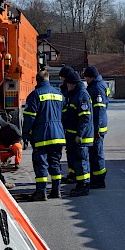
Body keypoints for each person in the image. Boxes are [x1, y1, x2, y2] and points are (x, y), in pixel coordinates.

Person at [22, 69, 66, 200]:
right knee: (55, 164)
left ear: (37, 80)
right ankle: (56, 190)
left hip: (42, 136)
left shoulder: (34, 95)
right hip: (58, 135)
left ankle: (41, 192)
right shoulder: (59, 94)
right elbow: (64, 114)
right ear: (48, 79)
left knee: (41, 164)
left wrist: (25, 134)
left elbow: (29, 118)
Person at [63, 71, 94, 197]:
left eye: (68, 85)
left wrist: (79, 135)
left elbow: (85, 118)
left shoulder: (81, 96)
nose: (67, 87)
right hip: (75, 135)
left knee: (82, 161)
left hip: (81, 137)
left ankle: (84, 185)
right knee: (78, 160)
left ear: (73, 84)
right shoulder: (76, 95)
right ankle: (80, 183)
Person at [84, 65, 109, 189]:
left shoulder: (97, 87)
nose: (86, 80)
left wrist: (97, 128)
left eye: (87, 78)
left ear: (91, 77)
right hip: (98, 125)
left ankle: (99, 180)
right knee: (95, 152)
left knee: (97, 153)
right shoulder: (99, 85)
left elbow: (99, 109)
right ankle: (96, 178)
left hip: (98, 127)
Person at [59, 65, 76, 183]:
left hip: (71, 126)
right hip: (69, 126)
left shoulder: (70, 90)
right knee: (70, 151)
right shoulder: (67, 88)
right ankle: (72, 173)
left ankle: (75, 174)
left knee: (74, 152)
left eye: (61, 77)